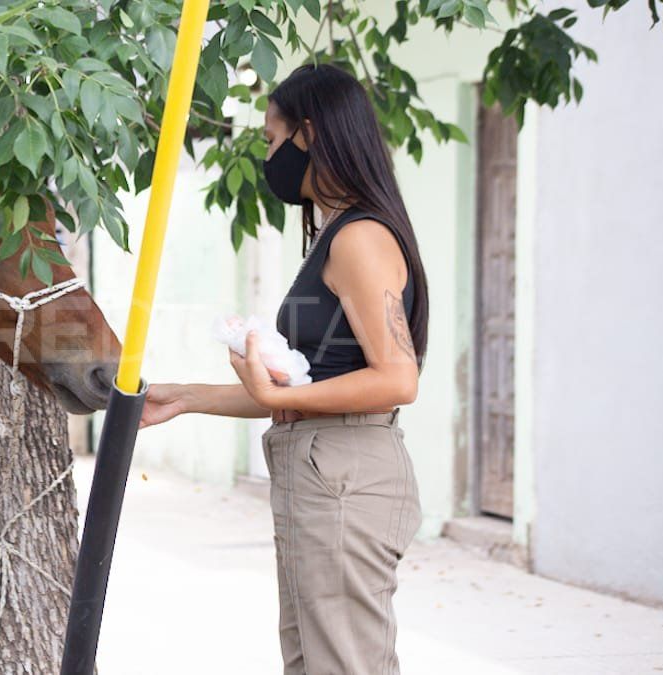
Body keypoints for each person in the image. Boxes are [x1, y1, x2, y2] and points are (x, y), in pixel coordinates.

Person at [140, 63, 428, 674]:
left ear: (310, 132)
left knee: (343, 664)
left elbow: (398, 379)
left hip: (345, 473)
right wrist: (185, 396)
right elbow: (301, 390)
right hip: (327, 466)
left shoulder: (359, 238)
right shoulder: (338, 235)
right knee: (313, 662)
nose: (269, 155)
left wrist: (274, 400)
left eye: (272, 139)